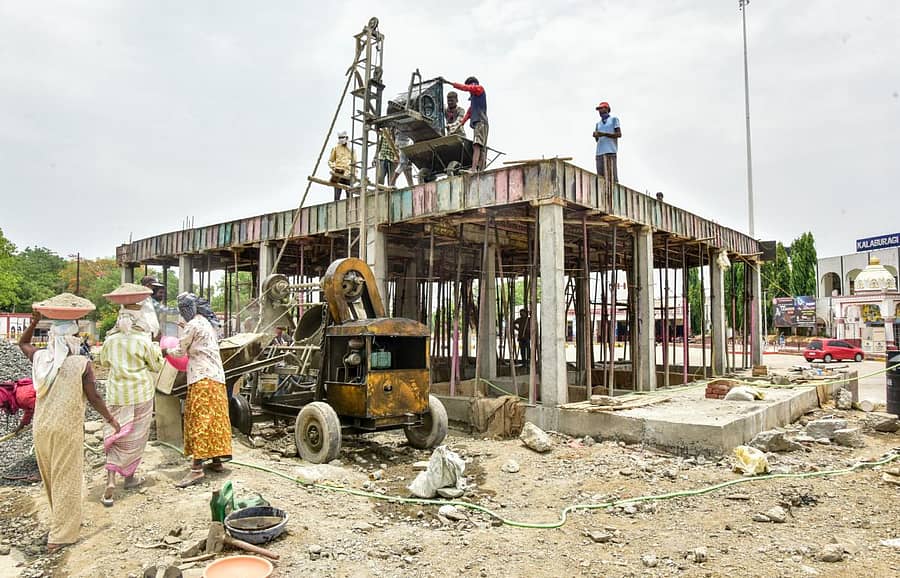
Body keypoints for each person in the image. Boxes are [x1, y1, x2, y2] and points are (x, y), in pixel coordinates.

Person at [18, 311, 119, 552]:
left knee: (52, 478)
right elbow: (94, 397)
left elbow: (22, 343)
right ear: (73, 338)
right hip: (66, 428)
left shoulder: (41, 359)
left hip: (42, 427)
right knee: (67, 479)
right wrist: (111, 419)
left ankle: (60, 522)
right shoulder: (81, 364)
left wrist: (33, 322)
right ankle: (60, 535)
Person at [97, 303, 164, 506]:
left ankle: (110, 480)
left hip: (116, 394)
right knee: (136, 437)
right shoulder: (143, 340)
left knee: (115, 435)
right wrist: (156, 345)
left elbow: (104, 362)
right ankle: (130, 478)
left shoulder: (110, 341)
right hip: (140, 393)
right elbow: (156, 364)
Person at [162, 293, 232, 488]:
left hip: (202, 379)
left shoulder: (193, 325)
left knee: (199, 419)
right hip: (217, 379)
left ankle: (196, 469)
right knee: (215, 419)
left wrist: (165, 351)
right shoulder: (206, 324)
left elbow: (179, 352)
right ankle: (216, 461)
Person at [443, 76, 488, 170]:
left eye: (470, 87)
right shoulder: (474, 101)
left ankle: (474, 168)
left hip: (481, 122)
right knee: (480, 146)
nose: (469, 91)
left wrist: (450, 83)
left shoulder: (479, 89)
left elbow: (467, 88)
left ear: (473, 84)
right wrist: (459, 125)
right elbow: (468, 114)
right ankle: (479, 168)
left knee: (477, 145)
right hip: (478, 123)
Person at [592, 101, 621, 182]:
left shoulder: (614, 120)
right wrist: (596, 136)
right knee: (600, 178)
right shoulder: (598, 124)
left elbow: (619, 134)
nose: (600, 111)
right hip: (599, 153)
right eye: (599, 109)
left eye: (601, 108)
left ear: (607, 109)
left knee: (611, 178)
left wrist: (604, 134)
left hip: (610, 151)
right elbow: (597, 140)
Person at [328, 131, 356, 201]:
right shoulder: (336, 148)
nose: (341, 139)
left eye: (342, 137)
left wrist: (354, 174)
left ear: (346, 138)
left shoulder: (351, 149)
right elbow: (330, 161)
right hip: (338, 173)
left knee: (349, 195)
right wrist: (334, 167)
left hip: (348, 174)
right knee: (337, 195)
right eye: (339, 138)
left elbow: (355, 163)